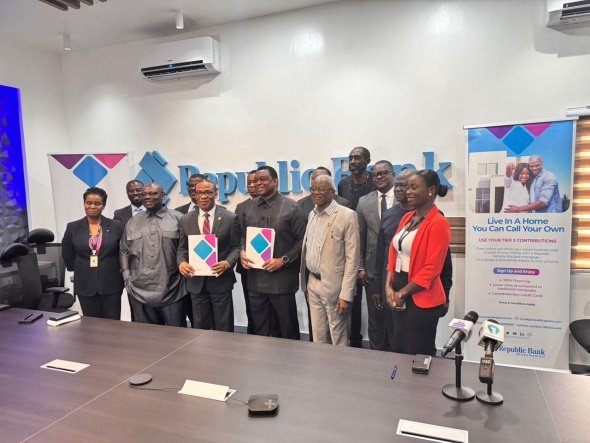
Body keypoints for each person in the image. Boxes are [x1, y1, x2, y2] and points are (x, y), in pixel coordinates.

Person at [373, 170, 453, 351]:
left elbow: (431, 270)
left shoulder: (438, 223)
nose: (407, 191)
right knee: (398, 349)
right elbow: (393, 254)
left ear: (431, 191)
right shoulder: (407, 218)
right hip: (398, 292)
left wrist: (402, 294)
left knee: (418, 353)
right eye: (407, 187)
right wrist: (388, 287)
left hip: (420, 298)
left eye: (414, 187)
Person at [240, 165, 307, 340]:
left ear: (275, 181)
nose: (257, 183)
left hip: (281, 281)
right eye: (255, 180)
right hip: (255, 279)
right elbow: (243, 235)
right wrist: (242, 251)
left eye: (263, 179)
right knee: (260, 331)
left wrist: (284, 260)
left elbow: (303, 241)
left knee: (287, 331)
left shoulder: (291, 207)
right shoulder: (249, 207)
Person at [300, 175, 359, 345]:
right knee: (318, 335)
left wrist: (346, 294)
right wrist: (305, 285)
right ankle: (320, 363)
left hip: (335, 286)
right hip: (313, 283)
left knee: (337, 337)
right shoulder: (312, 214)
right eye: (313, 189)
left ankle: (341, 364)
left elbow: (352, 259)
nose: (315, 193)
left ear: (332, 192)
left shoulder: (347, 215)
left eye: (320, 189)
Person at [120, 182, 187, 326]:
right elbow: (124, 250)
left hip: (173, 289)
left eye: (153, 193)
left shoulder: (179, 219)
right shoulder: (133, 221)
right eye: (144, 194)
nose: (147, 197)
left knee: (177, 334)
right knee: (146, 336)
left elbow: (186, 250)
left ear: (163, 195)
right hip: (138, 289)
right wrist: (126, 275)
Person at [177, 179, 240, 331]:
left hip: (220, 281)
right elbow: (182, 248)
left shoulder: (230, 218)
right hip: (196, 283)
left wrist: (227, 263)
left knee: (224, 327)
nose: (203, 196)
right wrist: (181, 263)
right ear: (194, 195)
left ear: (216, 194)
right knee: (200, 328)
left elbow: (236, 247)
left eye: (208, 192)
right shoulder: (185, 219)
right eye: (199, 193)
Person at [62, 187, 125, 319]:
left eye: (97, 203)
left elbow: (123, 252)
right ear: (84, 204)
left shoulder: (116, 226)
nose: (92, 207)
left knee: (113, 323)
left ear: (104, 205)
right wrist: (79, 268)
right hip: (85, 283)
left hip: (111, 283)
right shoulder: (73, 227)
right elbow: (67, 253)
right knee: (90, 323)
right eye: (88, 203)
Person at [337, 146, 377, 348]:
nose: (352, 161)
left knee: (373, 298)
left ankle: (374, 343)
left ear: (367, 161)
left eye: (357, 158)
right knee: (350, 295)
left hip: (369, 247)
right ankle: (352, 340)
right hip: (346, 246)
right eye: (350, 158)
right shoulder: (343, 184)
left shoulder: (375, 183)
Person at [356, 160, 396, 350]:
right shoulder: (364, 201)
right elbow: (360, 237)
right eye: (375, 174)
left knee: (396, 318)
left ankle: (396, 355)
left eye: (383, 173)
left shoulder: (405, 198)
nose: (378, 177)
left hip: (398, 269)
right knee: (376, 318)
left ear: (393, 174)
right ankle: (376, 355)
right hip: (372, 270)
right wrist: (361, 266)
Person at [234, 170, 260, 334]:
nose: (252, 186)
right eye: (249, 183)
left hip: (271, 266)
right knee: (251, 305)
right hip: (248, 266)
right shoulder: (241, 207)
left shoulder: (280, 206)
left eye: (255, 182)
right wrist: (242, 251)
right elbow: (237, 235)